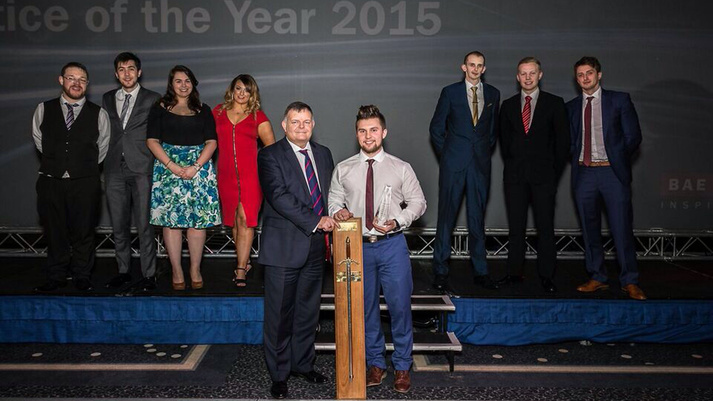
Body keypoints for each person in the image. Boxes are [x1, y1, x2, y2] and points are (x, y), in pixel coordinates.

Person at [329, 105, 426, 394]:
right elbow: (334, 200)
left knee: (400, 307)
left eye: (373, 130)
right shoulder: (344, 168)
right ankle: (375, 364)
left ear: (384, 132)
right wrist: (338, 212)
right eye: (362, 131)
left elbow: (418, 202)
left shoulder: (400, 167)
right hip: (358, 248)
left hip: (392, 245)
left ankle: (402, 366)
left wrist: (398, 220)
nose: (368, 135)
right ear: (356, 134)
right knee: (365, 309)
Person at [257, 101, 337, 399]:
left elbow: (330, 194)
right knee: (279, 315)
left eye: (306, 122)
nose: (301, 127)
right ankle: (279, 374)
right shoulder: (269, 155)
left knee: (307, 313)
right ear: (284, 125)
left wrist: (337, 213)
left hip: (315, 247)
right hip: (283, 248)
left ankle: (303, 364)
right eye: (295, 122)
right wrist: (317, 220)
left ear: (313, 125)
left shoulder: (324, 154)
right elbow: (279, 196)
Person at [566, 57, 646, 301]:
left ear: (599, 75)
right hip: (584, 173)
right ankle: (597, 277)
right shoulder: (571, 107)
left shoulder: (619, 100)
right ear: (576, 79)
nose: (585, 78)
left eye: (589, 73)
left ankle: (630, 280)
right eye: (580, 75)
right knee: (589, 229)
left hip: (612, 173)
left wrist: (616, 159)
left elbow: (633, 136)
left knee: (621, 228)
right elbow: (570, 140)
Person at [32, 62, 110, 292]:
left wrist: (79, 166)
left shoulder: (99, 114)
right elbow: (39, 140)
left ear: (87, 84)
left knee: (84, 231)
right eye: (71, 78)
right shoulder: (43, 109)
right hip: (51, 180)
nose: (77, 83)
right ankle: (56, 276)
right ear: (61, 80)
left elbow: (102, 147)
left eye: (82, 79)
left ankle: (82, 275)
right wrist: (59, 162)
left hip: (85, 181)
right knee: (54, 231)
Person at [430, 51, 501, 294]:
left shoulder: (493, 94)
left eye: (479, 65)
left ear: (484, 69)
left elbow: (491, 132)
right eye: (471, 64)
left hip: (479, 165)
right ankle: (440, 270)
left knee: (477, 219)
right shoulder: (450, 92)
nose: (475, 69)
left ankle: (481, 271)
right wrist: (448, 156)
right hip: (454, 165)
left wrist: (480, 152)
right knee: (446, 218)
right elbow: (436, 128)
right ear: (464, 67)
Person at [498, 57, 570, 293]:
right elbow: (505, 144)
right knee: (515, 228)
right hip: (515, 177)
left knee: (545, 228)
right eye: (523, 73)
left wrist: (552, 174)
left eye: (532, 73)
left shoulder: (555, 103)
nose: (527, 77)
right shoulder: (508, 106)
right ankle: (514, 273)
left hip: (544, 178)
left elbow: (562, 144)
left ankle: (547, 275)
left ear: (540, 75)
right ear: (517, 77)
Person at [146, 65, 220, 291]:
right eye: (178, 81)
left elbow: (212, 142)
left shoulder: (203, 109)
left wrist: (195, 167)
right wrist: (172, 166)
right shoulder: (159, 108)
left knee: (198, 223)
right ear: (171, 84)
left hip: (199, 169)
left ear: (193, 83)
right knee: (172, 223)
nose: (183, 85)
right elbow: (152, 141)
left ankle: (195, 269)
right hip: (167, 169)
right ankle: (177, 270)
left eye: (187, 80)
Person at [102, 52, 162, 292]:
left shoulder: (153, 98)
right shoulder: (107, 98)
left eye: (131, 69)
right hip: (113, 168)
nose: (126, 74)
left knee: (145, 225)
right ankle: (123, 271)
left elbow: (158, 133)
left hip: (142, 167)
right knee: (119, 224)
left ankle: (149, 274)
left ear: (139, 72)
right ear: (116, 74)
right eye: (121, 69)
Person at [213, 74, 275, 288]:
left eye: (247, 90)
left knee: (246, 219)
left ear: (252, 94)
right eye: (238, 88)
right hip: (226, 176)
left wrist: (270, 178)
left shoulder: (259, 117)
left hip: (251, 177)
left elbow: (271, 151)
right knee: (234, 221)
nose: (242, 93)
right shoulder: (218, 112)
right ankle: (245, 260)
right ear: (232, 89)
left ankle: (240, 268)